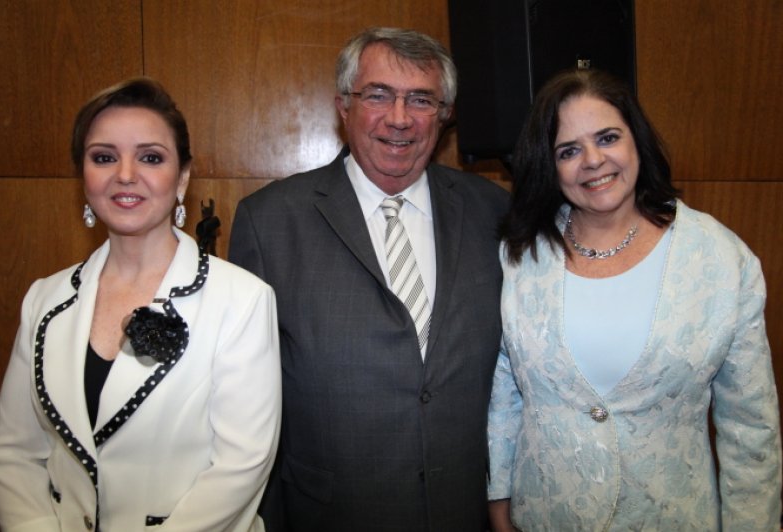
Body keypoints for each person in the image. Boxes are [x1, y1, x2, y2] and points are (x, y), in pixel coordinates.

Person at [229, 27, 509, 532]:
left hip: (465, 511)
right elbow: (245, 401)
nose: (399, 118)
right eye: (378, 95)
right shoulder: (269, 221)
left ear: (444, 115)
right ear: (343, 105)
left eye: (421, 99)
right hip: (330, 514)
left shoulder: (495, 213)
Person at [488, 67, 782, 531]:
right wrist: (499, 502)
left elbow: (750, 426)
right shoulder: (523, 256)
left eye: (607, 138)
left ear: (635, 142)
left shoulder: (721, 259)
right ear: (550, 166)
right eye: (569, 150)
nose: (593, 160)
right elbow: (505, 391)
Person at [0, 78, 281, 531]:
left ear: (182, 177)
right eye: (104, 157)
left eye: (150, 157)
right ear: (84, 177)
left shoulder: (242, 299)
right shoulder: (44, 298)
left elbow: (241, 467)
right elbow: (10, 452)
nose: (125, 174)